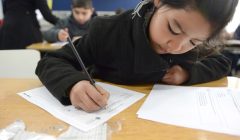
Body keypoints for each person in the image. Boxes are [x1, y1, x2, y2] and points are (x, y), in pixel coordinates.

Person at [36, 0, 238, 112]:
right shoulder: (107, 31)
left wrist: (187, 74)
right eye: (173, 28)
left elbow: (221, 62)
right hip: (105, 118)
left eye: (194, 41)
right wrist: (73, 85)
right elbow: (52, 61)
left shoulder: (187, 45)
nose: (176, 46)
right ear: (158, 1)